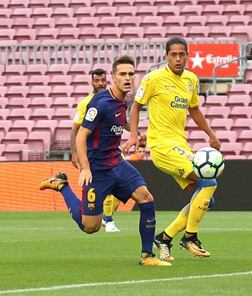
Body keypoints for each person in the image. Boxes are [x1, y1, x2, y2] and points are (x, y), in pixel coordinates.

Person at [40, 55, 170, 267]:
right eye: (123, 74)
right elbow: (82, 135)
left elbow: (120, 121)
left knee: (146, 198)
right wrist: (85, 167)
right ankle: (62, 185)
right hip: (98, 170)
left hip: (117, 163)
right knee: (90, 226)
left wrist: (135, 133)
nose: (128, 78)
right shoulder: (100, 102)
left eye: (131, 74)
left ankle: (147, 256)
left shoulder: (122, 101)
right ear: (114, 77)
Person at [123, 37, 221, 261]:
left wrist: (211, 134)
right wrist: (134, 134)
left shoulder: (191, 80)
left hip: (180, 144)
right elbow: (136, 106)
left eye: (181, 54)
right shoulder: (154, 78)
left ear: (187, 55)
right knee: (210, 181)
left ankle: (165, 238)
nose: (178, 59)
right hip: (161, 146)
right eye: (173, 55)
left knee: (206, 199)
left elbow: (194, 110)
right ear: (166, 56)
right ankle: (190, 237)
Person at [70, 68, 121, 233]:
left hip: (111, 151)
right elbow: (76, 129)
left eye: (102, 80)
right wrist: (75, 153)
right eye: (96, 80)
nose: (100, 83)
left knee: (126, 188)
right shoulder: (86, 103)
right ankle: (107, 219)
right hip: (93, 156)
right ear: (91, 82)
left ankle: (108, 218)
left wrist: (136, 132)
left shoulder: (112, 98)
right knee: (91, 222)